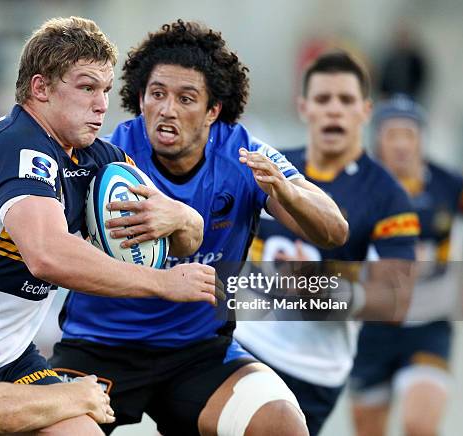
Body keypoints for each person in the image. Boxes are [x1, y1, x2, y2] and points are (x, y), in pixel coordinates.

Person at [0, 16, 214, 434]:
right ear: (40, 88)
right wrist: (162, 284)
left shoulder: (101, 162)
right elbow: (46, 255)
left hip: (11, 364)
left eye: (106, 90)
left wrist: (183, 216)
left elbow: (181, 242)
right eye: (87, 87)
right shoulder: (16, 142)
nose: (102, 104)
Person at [50, 20, 349, 436]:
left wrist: (288, 191)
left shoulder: (243, 157)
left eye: (186, 98)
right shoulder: (106, 159)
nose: (167, 109)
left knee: (283, 423)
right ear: (141, 97)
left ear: (213, 111)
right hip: (100, 346)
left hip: (199, 351)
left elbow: (335, 230)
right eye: (157, 94)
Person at [234, 52, 419, 436]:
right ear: (303, 107)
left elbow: (397, 300)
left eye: (346, 100)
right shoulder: (271, 167)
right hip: (242, 343)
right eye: (322, 99)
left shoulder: (388, 196)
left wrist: (315, 288)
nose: (334, 110)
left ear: (366, 110)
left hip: (311, 370)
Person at [349, 95, 463, 436]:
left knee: (419, 425)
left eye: (409, 135)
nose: (401, 144)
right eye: (392, 135)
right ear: (376, 141)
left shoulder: (449, 185)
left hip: (428, 325)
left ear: (422, 140)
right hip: (372, 327)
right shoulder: (358, 187)